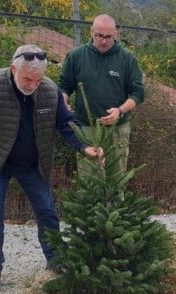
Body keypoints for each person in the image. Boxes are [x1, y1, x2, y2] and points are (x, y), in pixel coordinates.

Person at [0, 44, 102, 279]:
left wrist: (85, 146)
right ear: (14, 69)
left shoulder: (49, 89)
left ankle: (56, 261)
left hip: (32, 164)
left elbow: (66, 123)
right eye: (27, 79)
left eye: (38, 80)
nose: (32, 86)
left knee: (47, 211)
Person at [58, 14, 145, 174]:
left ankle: (116, 200)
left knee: (116, 181)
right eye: (99, 36)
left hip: (117, 129)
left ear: (115, 35)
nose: (104, 41)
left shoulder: (127, 59)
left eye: (108, 37)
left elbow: (138, 93)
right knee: (88, 178)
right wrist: (63, 101)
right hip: (86, 128)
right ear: (91, 32)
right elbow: (64, 86)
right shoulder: (76, 56)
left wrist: (120, 111)